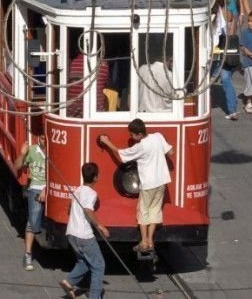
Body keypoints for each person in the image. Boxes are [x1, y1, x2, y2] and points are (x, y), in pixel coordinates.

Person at [97, 119, 173, 253]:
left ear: (139, 134)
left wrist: (107, 142)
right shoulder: (158, 136)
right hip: (162, 181)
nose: (131, 137)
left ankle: (143, 241)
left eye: (132, 135)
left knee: (143, 212)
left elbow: (121, 154)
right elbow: (170, 152)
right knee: (155, 210)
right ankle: (150, 240)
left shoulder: (141, 146)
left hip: (148, 183)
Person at [58, 162, 108, 299]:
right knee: (98, 265)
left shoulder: (77, 190)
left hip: (71, 233)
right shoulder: (91, 193)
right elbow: (88, 210)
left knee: (84, 262)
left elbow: (69, 208)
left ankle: (68, 281)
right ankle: (94, 297)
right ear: (96, 178)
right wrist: (101, 227)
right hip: (84, 235)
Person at [18, 133, 47, 270]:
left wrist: (46, 189)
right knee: (32, 220)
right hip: (35, 188)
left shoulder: (54, 152)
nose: (44, 141)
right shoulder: (33, 151)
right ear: (38, 138)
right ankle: (28, 254)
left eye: (46, 138)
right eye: (42, 138)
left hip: (49, 189)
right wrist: (23, 154)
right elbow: (17, 165)